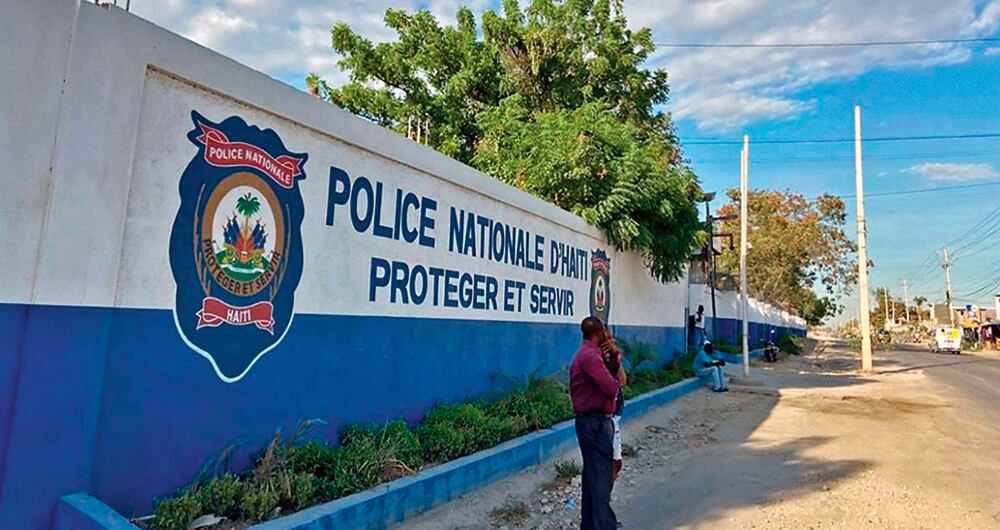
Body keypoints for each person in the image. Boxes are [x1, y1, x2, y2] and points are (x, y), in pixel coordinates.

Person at [570, 316, 620, 530]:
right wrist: (614, 366)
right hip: (595, 423)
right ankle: (604, 526)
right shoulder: (590, 356)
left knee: (592, 476)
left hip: (589, 423)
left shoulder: (587, 354)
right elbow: (611, 387)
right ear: (598, 334)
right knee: (600, 477)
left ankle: (589, 525)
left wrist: (611, 360)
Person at [599, 328, 626, 484]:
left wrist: (616, 358)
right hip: (604, 411)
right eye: (608, 339)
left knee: (615, 458)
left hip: (614, 409)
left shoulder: (614, 357)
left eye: (612, 338)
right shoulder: (595, 358)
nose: (612, 341)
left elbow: (622, 380)